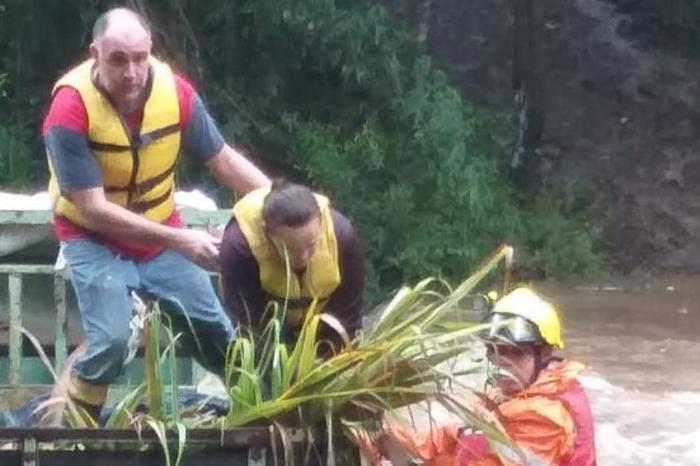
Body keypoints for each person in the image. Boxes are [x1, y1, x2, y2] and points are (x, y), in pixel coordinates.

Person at [42, 7, 269, 420]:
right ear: (95, 54)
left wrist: (280, 202)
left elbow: (222, 159)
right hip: (93, 239)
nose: (131, 72)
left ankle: (261, 420)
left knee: (219, 333)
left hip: (161, 232)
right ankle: (75, 433)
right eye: (117, 60)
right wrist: (181, 240)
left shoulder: (176, 93)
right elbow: (92, 209)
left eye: (140, 58)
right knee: (110, 340)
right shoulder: (69, 109)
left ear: (151, 51)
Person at [360, 287, 596, 466]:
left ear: (545, 353)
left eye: (516, 353)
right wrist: (392, 440)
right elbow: (460, 438)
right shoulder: (515, 395)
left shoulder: (546, 419)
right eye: (495, 351)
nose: (503, 362)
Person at [219, 180, 364, 353]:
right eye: (290, 249)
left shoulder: (342, 238)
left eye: (311, 245)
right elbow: (250, 326)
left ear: (321, 224)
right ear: (268, 233)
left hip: (325, 324)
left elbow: (348, 316)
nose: (302, 256)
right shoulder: (238, 248)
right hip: (268, 333)